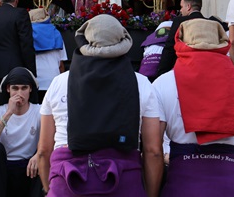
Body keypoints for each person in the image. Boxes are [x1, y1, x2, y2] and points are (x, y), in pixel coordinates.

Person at [36, 14, 163, 197]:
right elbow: (153, 151)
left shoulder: (58, 83)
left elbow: (43, 150)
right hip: (124, 182)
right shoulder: (141, 84)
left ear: (85, 40)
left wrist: (50, 189)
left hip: (67, 180)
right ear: (122, 41)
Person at [153, 18, 234, 196]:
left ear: (180, 42)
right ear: (222, 43)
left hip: (185, 185)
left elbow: (154, 150)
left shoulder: (163, 84)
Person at [0, 67, 42, 197]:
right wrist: (9, 113)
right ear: (8, 89)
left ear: (30, 89)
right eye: (15, 88)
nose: (19, 93)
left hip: (30, 167)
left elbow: (54, 138)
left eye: (24, 88)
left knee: (44, 154)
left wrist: (39, 154)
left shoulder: (39, 111)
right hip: (1, 168)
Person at [155, 0, 212, 77]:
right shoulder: (212, 22)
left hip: (185, 69)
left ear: (188, 7)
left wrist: (162, 73)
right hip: (208, 68)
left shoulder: (180, 21)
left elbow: (170, 48)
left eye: (181, 7)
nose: (180, 10)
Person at [28, 9, 66, 103]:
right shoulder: (56, 33)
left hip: (33, 81)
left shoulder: (26, 34)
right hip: (53, 80)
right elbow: (61, 64)